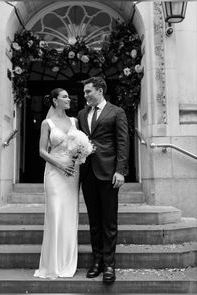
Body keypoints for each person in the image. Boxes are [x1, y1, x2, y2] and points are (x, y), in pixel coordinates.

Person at [78, 76, 129, 283]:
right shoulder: (82, 114)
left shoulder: (117, 112)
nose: (85, 95)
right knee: (94, 221)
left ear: (100, 90)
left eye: (88, 91)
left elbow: (123, 142)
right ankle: (97, 261)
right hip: (88, 173)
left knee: (109, 221)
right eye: (84, 92)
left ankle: (109, 264)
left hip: (109, 173)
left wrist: (121, 171)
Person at [34, 88, 79, 279]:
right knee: (55, 214)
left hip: (72, 174)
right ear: (54, 101)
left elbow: (80, 144)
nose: (69, 99)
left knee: (69, 215)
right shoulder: (47, 123)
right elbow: (42, 151)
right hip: (54, 172)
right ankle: (52, 264)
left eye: (68, 97)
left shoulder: (75, 121)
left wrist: (79, 155)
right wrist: (59, 164)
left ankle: (67, 261)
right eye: (64, 97)